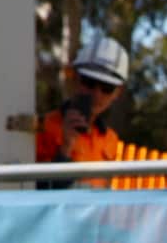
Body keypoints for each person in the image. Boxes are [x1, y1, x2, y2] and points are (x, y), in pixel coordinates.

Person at [35, 34, 129, 188]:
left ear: (118, 93)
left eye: (107, 88)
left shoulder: (110, 139)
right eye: (89, 83)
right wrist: (65, 147)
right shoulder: (42, 128)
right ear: (75, 79)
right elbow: (36, 193)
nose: (96, 94)